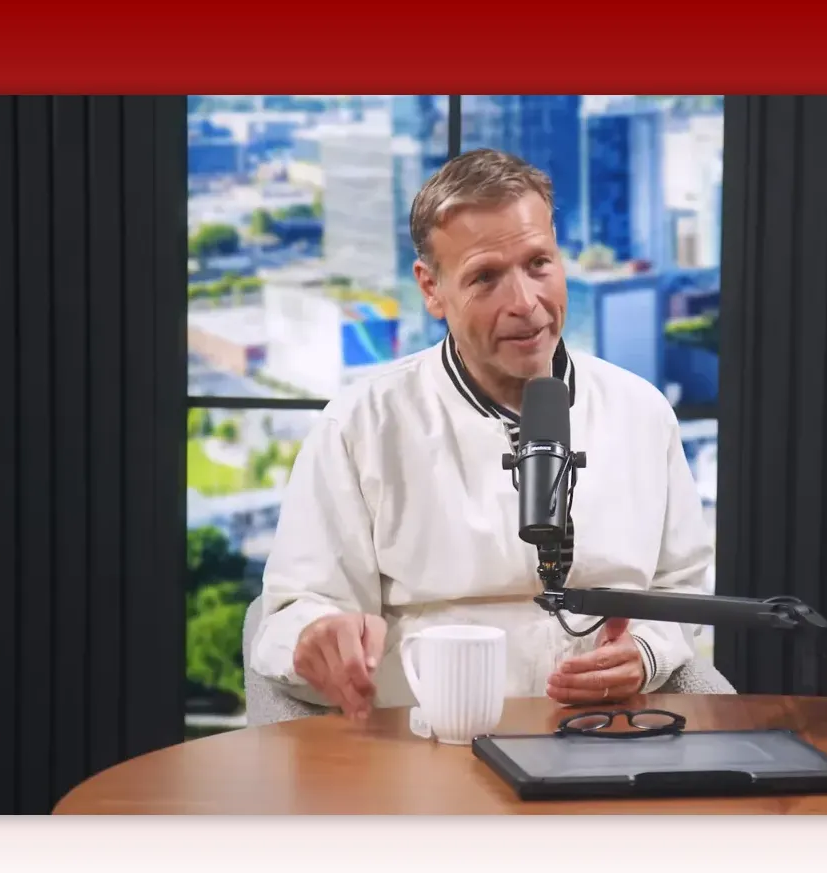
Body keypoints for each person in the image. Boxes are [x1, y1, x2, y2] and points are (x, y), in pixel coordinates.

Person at [247, 148, 714, 719]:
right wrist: (314, 637)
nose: (525, 303)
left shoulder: (641, 412)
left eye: (538, 264)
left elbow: (681, 587)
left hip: (606, 734)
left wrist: (647, 652)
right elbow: (293, 613)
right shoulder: (361, 425)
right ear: (431, 288)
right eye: (486, 277)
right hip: (423, 745)